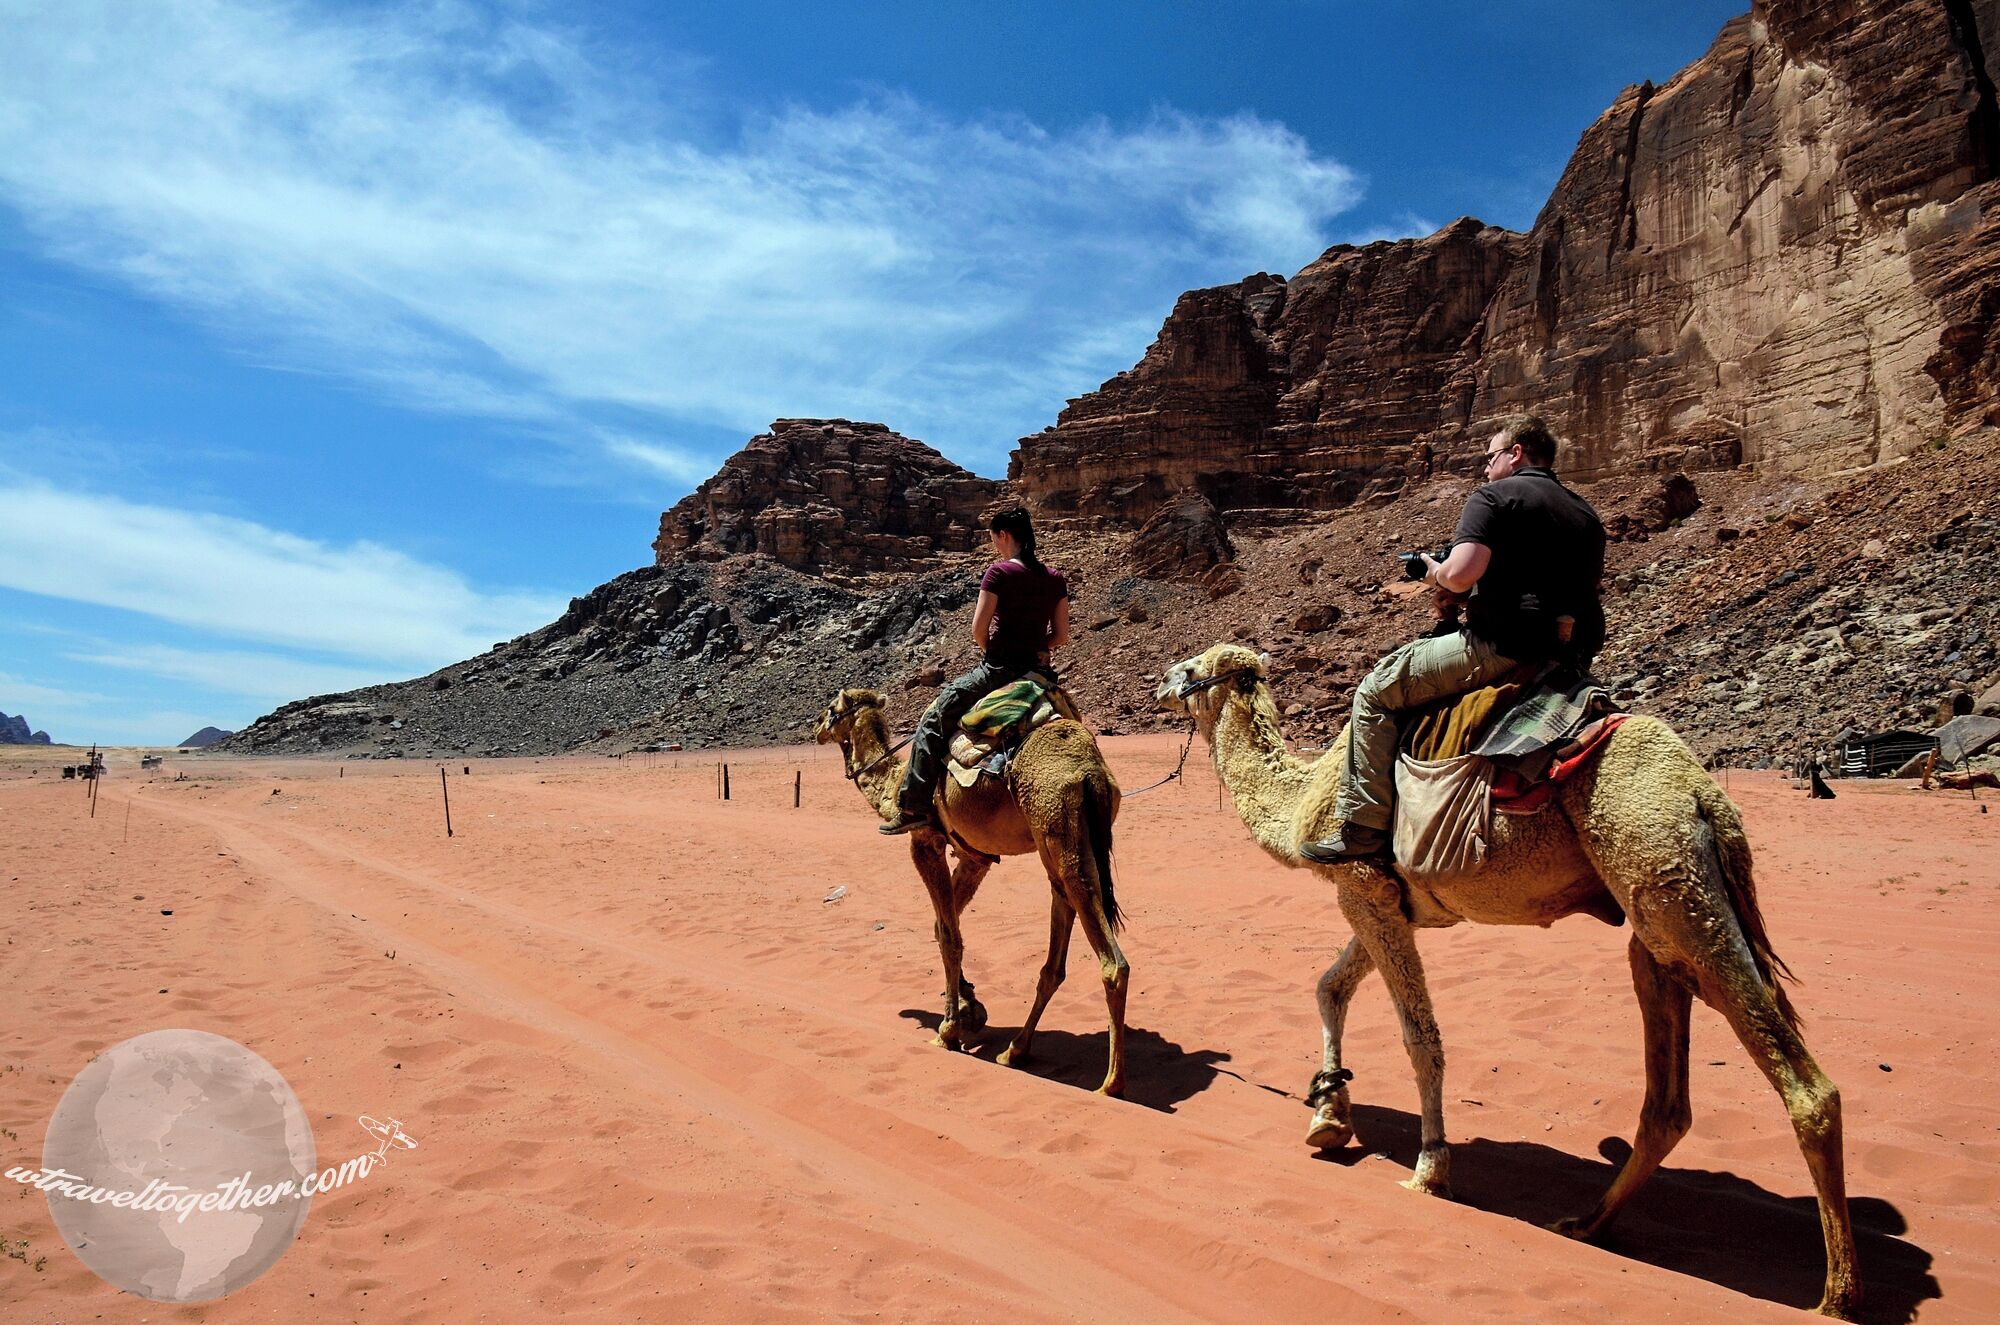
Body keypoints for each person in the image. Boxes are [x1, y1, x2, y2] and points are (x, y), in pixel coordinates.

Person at [1302, 415, 1606, 861]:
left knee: (1373, 693)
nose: (1486, 467)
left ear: (1515, 453)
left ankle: (1363, 829)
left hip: (1504, 646)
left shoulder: (1495, 498)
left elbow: (1461, 576)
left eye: (1490, 457)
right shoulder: (1585, 512)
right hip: (1571, 651)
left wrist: (1433, 572)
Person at [879, 504, 1071, 834]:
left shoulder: (998, 573)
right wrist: (1038, 648)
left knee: (934, 717)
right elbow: (1062, 635)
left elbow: (978, 630)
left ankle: (914, 808)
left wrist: (995, 652)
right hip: (1039, 674)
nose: (994, 543)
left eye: (994, 537)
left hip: (999, 669)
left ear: (1004, 535)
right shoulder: (1055, 579)